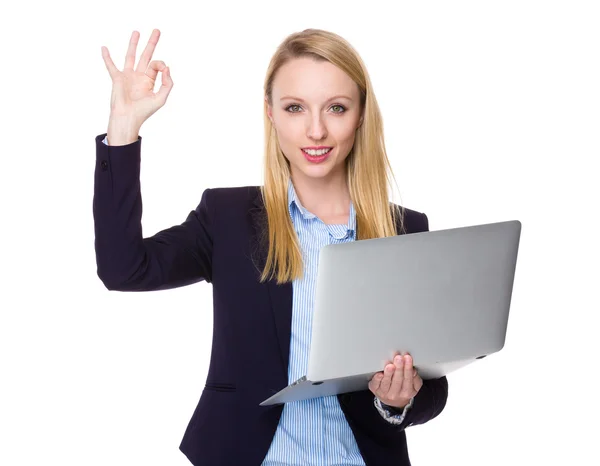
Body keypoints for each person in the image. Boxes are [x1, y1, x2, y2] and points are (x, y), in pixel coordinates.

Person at [95, 28, 448, 466]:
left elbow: (433, 390)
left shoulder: (405, 229)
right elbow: (123, 268)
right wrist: (123, 130)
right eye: (295, 108)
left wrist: (399, 399)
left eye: (336, 108)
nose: (315, 130)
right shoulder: (227, 218)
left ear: (360, 115)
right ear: (270, 114)